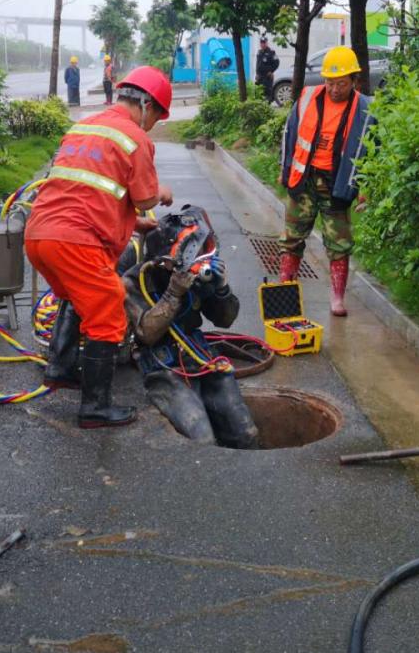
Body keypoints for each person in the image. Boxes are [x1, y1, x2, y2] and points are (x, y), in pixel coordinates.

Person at [26, 66, 174, 428]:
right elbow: (145, 198)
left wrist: (130, 223)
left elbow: (89, 191)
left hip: (40, 235)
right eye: (155, 116)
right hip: (76, 241)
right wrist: (161, 195)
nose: (152, 124)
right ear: (145, 105)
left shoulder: (85, 126)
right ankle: (95, 408)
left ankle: (59, 368)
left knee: (78, 297)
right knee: (108, 307)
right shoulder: (134, 137)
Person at [120, 206, 260, 449]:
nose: (206, 256)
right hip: (160, 363)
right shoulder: (137, 281)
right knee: (201, 438)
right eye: (200, 250)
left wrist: (221, 288)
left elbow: (224, 320)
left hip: (199, 353)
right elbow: (147, 334)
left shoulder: (199, 275)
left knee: (244, 432)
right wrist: (174, 292)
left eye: (208, 248)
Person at [277, 46, 374, 317]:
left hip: (338, 184)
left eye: (341, 83)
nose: (334, 89)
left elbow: (371, 152)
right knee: (291, 238)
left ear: (354, 80)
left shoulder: (366, 110)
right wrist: (284, 170)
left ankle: (337, 298)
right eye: (330, 82)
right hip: (304, 181)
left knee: (339, 243)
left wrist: (365, 188)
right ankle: (286, 287)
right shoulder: (307, 98)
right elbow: (289, 134)